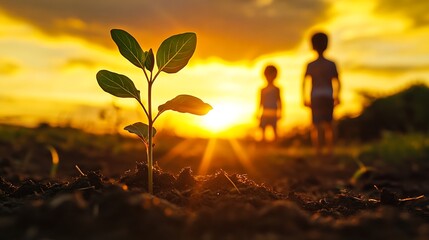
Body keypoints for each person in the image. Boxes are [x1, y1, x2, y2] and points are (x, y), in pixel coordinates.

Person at [302, 32, 341, 156]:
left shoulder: (310, 65)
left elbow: (304, 83)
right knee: (330, 124)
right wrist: (337, 95)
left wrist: (304, 97)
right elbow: (338, 82)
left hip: (316, 97)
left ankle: (318, 150)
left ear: (312, 46)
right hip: (328, 95)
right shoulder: (331, 64)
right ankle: (330, 150)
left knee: (317, 124)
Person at [258, 64, 282, 142]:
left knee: (274, 130)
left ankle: (275, 145)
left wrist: (280, 112)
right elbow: (260, 102)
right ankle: (263, 145)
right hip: (265, 112)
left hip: (273, 112)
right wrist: (258, 112)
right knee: (263, 131)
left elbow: (280, 101)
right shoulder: (262, 89)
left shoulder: (277, 89)